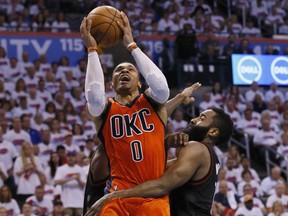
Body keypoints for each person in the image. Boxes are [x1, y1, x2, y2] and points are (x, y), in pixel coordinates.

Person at [80, 8, 173, 215]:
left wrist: (132, 45)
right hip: (117, 194)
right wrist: (92, 50)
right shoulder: (105, 109)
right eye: (118, 70)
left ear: (140, 82)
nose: (124, 71)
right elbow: (94, 96)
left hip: (152, 195)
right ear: (111, 85)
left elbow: (162, 88)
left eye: (130, 69)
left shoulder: (153, 102)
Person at [86, 107, 234, 216]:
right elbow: (152, 169)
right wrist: (165, 144)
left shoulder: (197, 148)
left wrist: (112, 196)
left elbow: (161, 186)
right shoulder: (208, 155)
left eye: (201, 118)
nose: (193, 119)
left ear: (213, 132)